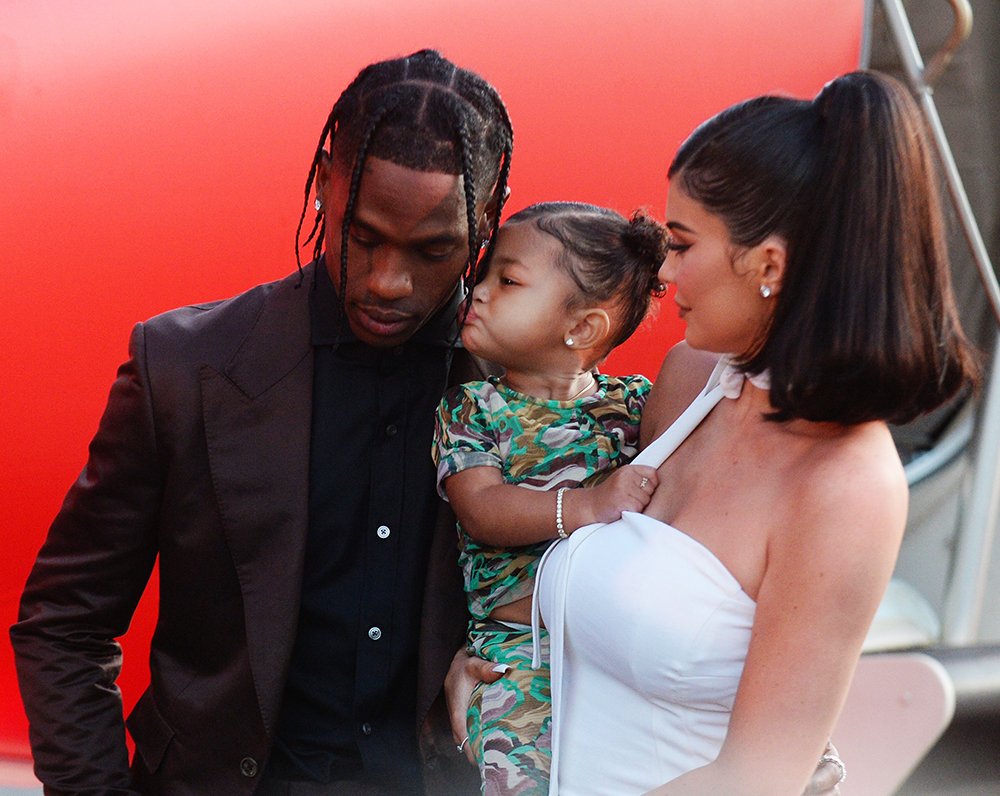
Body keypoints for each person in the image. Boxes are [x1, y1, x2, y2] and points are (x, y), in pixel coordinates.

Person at [10, 50, 513, 796]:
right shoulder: (184, 367)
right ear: (323, 182)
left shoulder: (524, 392)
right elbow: (64, 623)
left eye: (434, 250)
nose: (388, 281)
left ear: (489, 215)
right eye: (364, 235)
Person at [531, 71, 978, 796]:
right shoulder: (690, 381)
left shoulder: (848, 486)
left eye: (682, 244)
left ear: (769, 264)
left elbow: (756, 777)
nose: (664, 272)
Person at [432, 202, 666, 795]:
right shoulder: (473, 408)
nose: (478, 292)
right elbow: (481, 509)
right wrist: (583, 506)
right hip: (517, 651)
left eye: (506, 281)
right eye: (484, 276)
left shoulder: (637, 407)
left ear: (582, 329)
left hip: (620, 646)